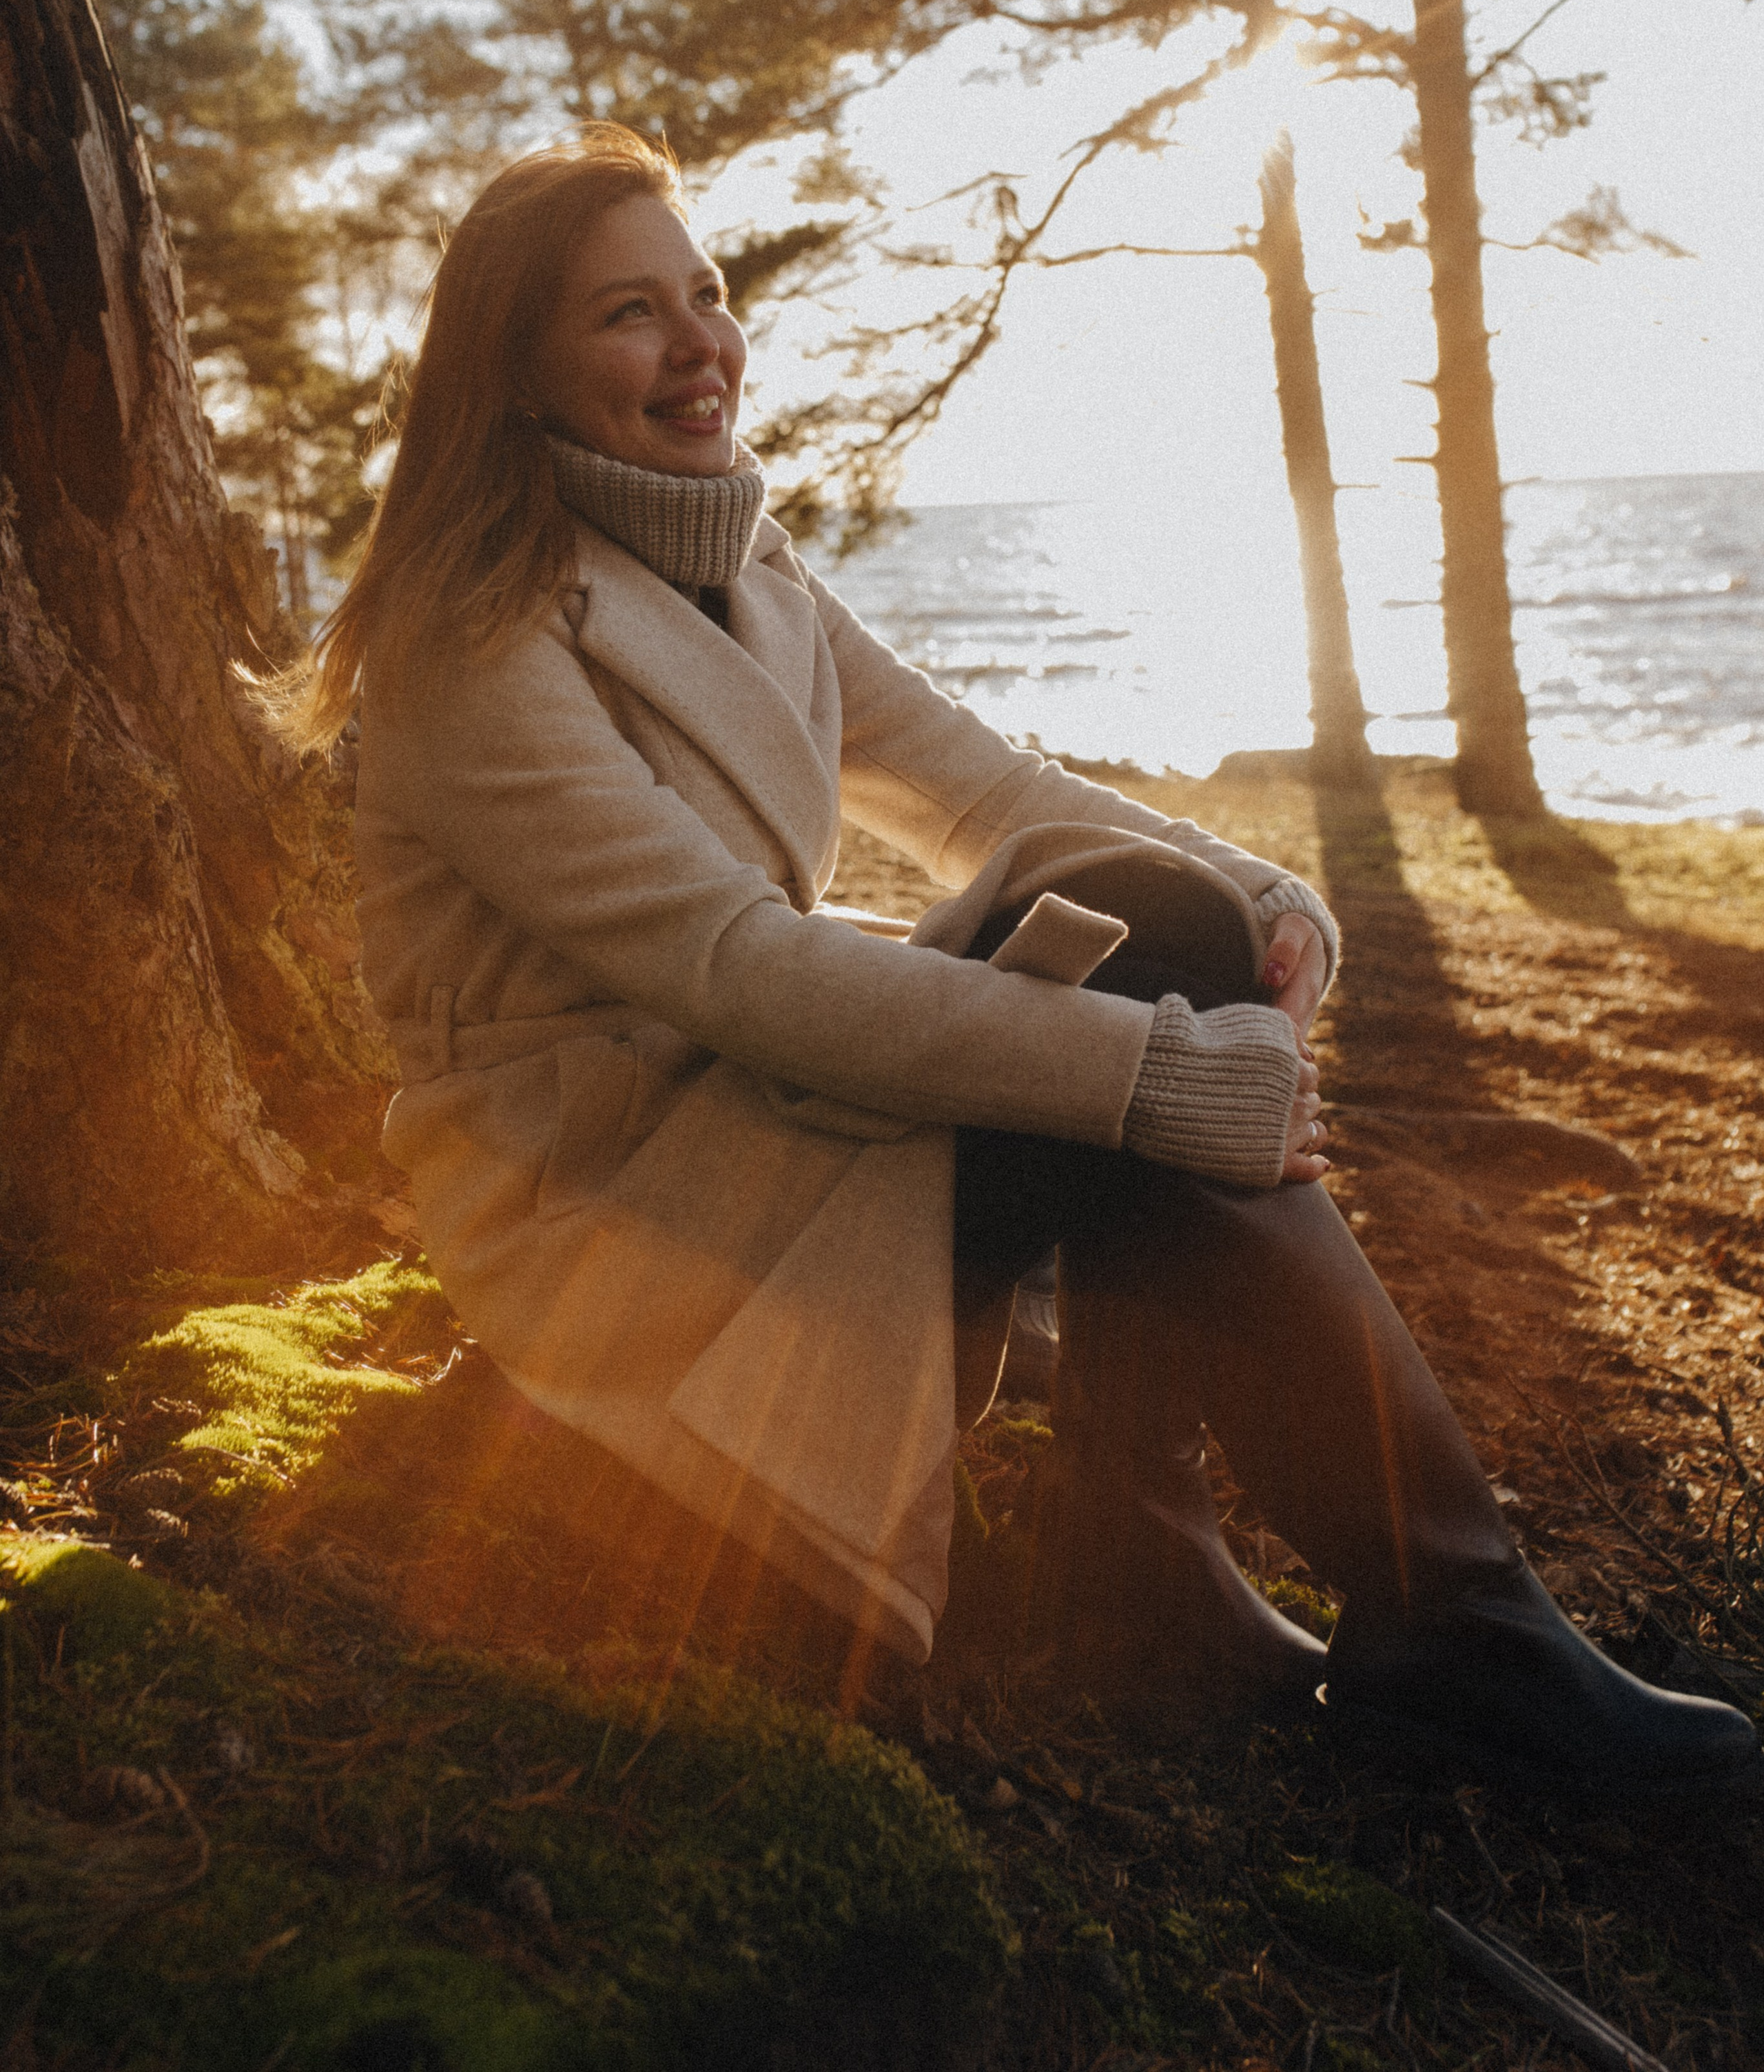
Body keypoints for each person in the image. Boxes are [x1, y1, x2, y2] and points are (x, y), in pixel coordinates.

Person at [297, 123, 1757, 1808]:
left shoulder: (732, 556)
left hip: (743, 1122)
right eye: (630, 313)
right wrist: (1148, 1084)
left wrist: (1259, 889)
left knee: (1169, 922)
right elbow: (730, 964)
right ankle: (1456, 1616)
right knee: (1129, 1027)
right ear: (520, 371)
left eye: (705, 293)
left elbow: (978, 790)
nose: (701, 344)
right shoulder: (470, 628)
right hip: (608, 1204)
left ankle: (1183, 1567)